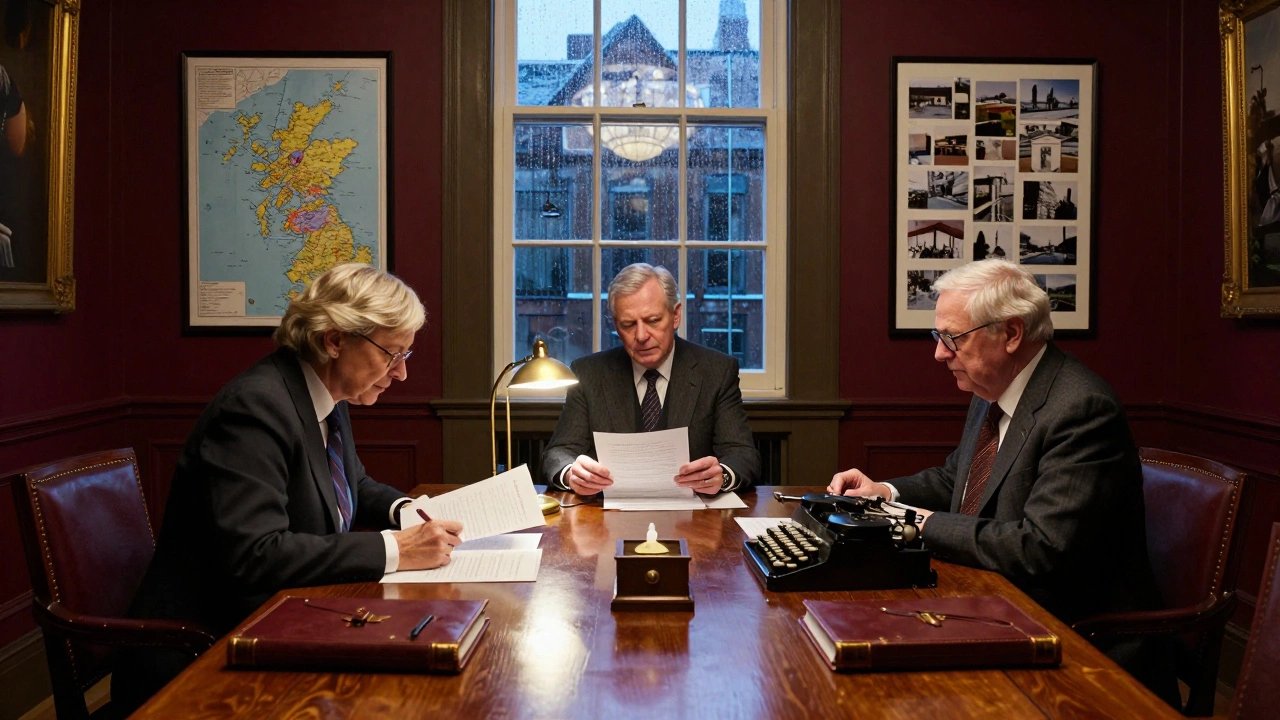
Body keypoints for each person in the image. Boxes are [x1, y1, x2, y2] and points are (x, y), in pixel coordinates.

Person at [827, 258, 1176, 703]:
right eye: (938, 336)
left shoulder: (1081, 409)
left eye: (952, 338)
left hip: (1078, 643)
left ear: (1011, 334)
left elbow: (1039, 549)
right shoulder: (992, 388)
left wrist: (914, 521)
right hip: (998, 606)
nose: (939, 353)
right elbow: (959, 478)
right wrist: (886, 493)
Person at [114, 264, 463, 709]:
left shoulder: (324, 393)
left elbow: (350, 481)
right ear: (334, 340)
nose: (401, 374)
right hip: (206, 651)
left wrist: (408, 511)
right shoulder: (256, 407)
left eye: (405, 356)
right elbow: (255, 553)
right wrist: (397, 548)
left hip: (281, 619)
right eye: (391, 354)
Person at [542, 262, 760, 496]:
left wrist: (723, 475)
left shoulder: (717, 371)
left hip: (694, 518)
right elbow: (558, 452)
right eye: (628, 324)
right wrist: (571, 474)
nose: (642, 336)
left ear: (675, 315)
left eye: (653, 320)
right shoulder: (588, 374)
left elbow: (742, 453)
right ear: (616, 324)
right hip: (608, 518)